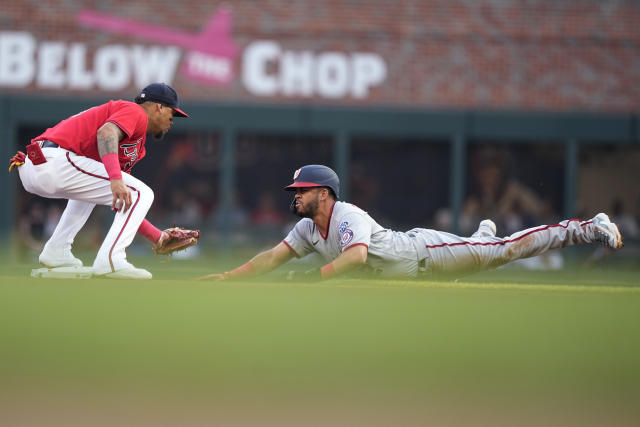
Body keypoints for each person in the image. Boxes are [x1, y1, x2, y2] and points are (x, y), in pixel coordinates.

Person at [198, 164, 623, 281]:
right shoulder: (308, 228)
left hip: (425, 255)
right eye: (296, 192)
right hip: (415, 270)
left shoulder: (346, 215)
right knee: (487, 250)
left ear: (324, 194)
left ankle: (585, 227)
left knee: (503, 252)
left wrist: (315, 279)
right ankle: (480, 236)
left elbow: (357, 258)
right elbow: (272, 258)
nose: (297, 196)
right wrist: (230, 277)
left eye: (302, 191)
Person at [12, 83, 190, 279]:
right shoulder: (135, 111)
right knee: (143, 193)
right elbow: (106, 133)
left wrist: (157, 237)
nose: (172, 121)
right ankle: (111, 261)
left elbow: (122, 200)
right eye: (172, 114)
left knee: (116, 194)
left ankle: (57, 251)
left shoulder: (136, 146)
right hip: (52, 159)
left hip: (39, 164)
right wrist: (115, 178)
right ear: (159, 107)